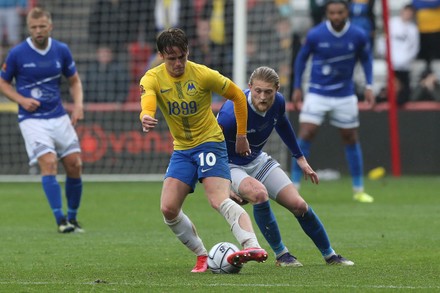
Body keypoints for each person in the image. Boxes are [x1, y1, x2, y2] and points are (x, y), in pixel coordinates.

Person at [139, 28, 268, 273]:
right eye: (171, 59)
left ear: (188, 52)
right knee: (168, 209)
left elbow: (239, 96)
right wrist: (146, 115)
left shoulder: (203, 74)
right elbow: (148, 101)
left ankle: (252, 245)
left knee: (217, 199)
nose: (177, 63)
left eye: (182, 57)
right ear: (161, 56)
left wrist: (241, 135)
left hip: (210, 141)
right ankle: (202, 255)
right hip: (182, 149)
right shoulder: (151, 78)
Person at [217, 66, 355, 267]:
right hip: (229, 165)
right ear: (249, 87)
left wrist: (300, 158)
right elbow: (210, 147)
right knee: (259, 194)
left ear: (277, 90)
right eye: (258, 91)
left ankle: (331, 255)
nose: (263, 97)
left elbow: (282, 124)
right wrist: (224, 185)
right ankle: (282, 255)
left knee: (299, 205)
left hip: (257, 161)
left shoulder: (278, 103)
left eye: (268, 92)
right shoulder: (230, 115)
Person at [0, 7, 84, 233]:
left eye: (42, 26)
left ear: (50, 26)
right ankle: (60, 220)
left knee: (75, 165)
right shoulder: (17, 53)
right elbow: (3, 82)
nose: (38, 30)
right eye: (34, 27)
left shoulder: (61, 50)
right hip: (32, 119)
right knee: (48, 162)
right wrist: (21, 99)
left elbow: (74, 81)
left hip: (58, 116)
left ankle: (73, 218)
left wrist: (78, 106)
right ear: (29, 28)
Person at [290, 0, 375, 203]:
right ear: (327, 13)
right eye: (332, 13)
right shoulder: (316, 34)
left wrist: (370, 86)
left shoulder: (358, 35)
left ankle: (358, 190)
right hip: (317, 92)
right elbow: (301, 59)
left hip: (345, 94)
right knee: (305, 133)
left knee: (350, 137)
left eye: (340, 12)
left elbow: (367, 59)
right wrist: (297, 86)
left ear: (347, 13)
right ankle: (293, 187)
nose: (336, 16)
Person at [376, 4, 419, 105]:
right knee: (390, 85)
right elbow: (382, 40)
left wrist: (406, 59)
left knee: (404, 93)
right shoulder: (391, 23)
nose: (407, 15)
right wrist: (385, 55)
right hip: (391, 63)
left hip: (404, 65)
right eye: (406, 12)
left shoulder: (413, 29)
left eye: (410, 13)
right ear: (402, 12)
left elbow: (414, 48)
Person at [412, 0, 440, 71]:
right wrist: (431, 5)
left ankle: (434, 76)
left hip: (436, 29)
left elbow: (437, 3)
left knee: (436, 56)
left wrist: (425, 4)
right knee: (424, 56)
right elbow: (416, 4)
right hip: (422, 30)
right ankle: (426, 74)